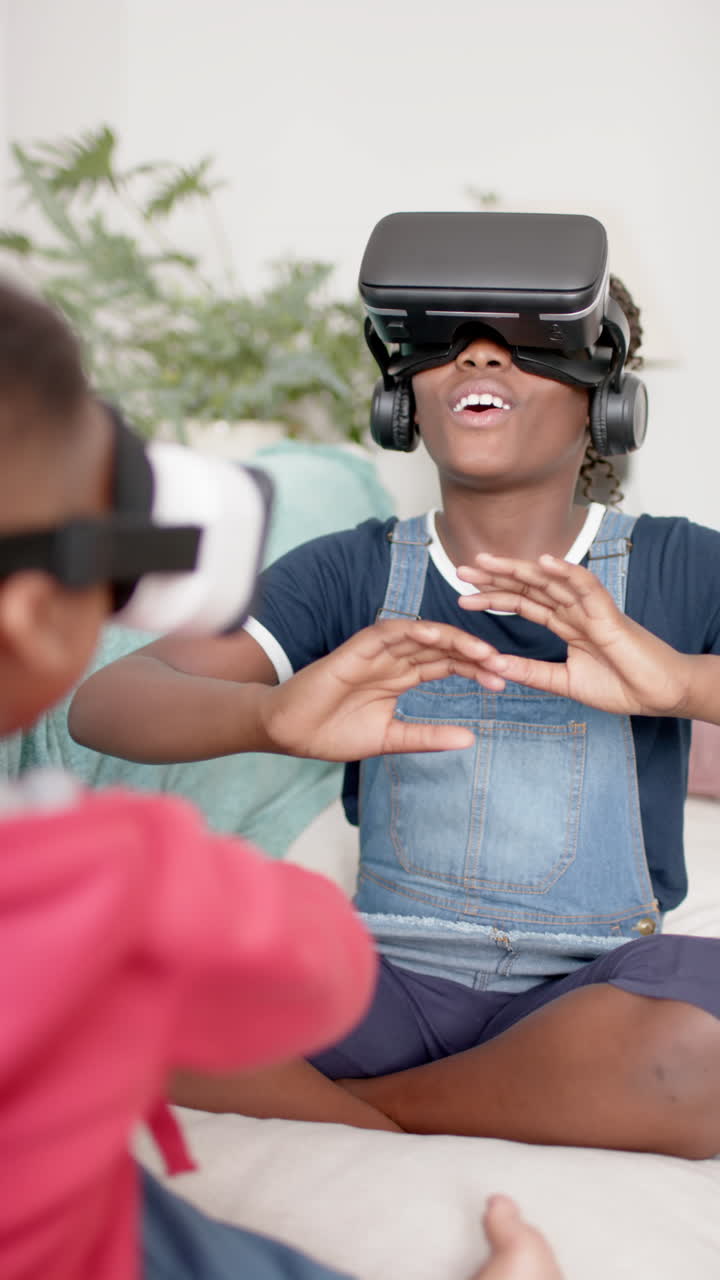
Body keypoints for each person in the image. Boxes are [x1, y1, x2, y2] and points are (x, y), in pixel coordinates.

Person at [69, 213, 720, 1164]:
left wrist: (682, 682)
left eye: (526, 341)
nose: (481, 360)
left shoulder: (680, 566)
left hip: (596, 986)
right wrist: (270, 716)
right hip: (385, 981)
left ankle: (373, 1116)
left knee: (698, 1050)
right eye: (447, 341)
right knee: (123, 982)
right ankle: (475, 1104)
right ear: (401, 393)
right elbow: (107, 702)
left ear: (606, 401)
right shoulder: (349, 572)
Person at [0, 276, 563, 1280]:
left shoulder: (667, 563)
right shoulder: (103, 873)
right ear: (38, 617)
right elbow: (317, 974)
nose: (482, 362)